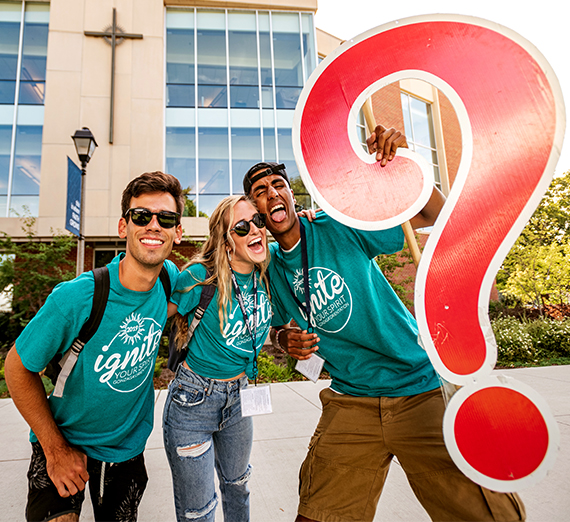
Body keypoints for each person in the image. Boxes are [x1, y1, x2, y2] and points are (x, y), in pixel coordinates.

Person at [243, 125, 526, 522]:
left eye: (278, 185)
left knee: (489, 513)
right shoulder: (266, 268)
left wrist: (404, 168)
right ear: (257, 210)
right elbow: (265, 332)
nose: (272, 193)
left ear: (292, 195)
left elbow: (432, 213)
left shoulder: (338, 224)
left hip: (419, 387)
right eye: (260, 191)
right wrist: (280, 337)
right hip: (351, 400)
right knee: (317, 515)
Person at [4, 171, 184, 522]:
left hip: (125, 448)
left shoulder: (169, 280)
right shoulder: (77, 297)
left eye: (166, 218)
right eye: (141, 216)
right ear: (123, 226)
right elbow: (16, 367)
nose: (153, 225)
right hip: (62, 438)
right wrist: (55, 450)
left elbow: (220, 273)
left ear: (177, 232)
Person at [163, 195, 272, 522]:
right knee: (199, 511)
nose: (255, 229)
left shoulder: (266, 270)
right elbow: (151, 318)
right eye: (242, 226)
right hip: (192, 402)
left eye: (258, 221)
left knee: (238, 485)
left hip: (240, 397)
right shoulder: (198, 277)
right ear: (226, 242)